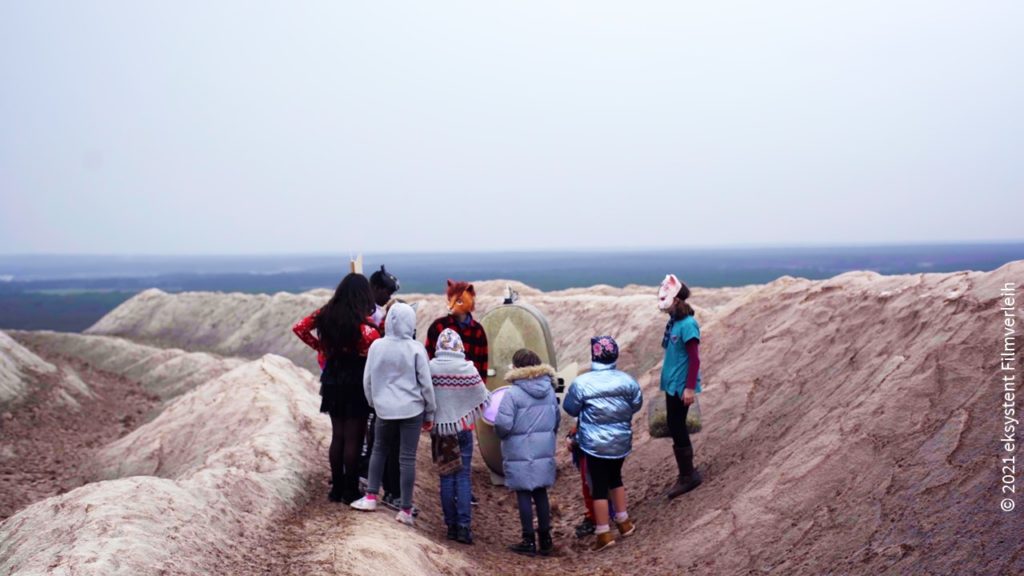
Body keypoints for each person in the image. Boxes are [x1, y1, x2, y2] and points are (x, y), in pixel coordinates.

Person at [292, 273, 380, 503]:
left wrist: (322, 347)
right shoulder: (365, 328)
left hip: (332, 377)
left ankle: (336, 488)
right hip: (356, 379)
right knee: (355, 437)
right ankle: (350, 490)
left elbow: (299, 328)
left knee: (338, 435)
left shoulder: (327, 313)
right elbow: (376, 351)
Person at [351, 302, 435, 526]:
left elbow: (367, 379)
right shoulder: (416, 348)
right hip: (412, 410)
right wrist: (430, 412)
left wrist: (373, 402)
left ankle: (370, 497)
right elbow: (426, 384)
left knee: (379, 450)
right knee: (407, 458)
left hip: (383, 409)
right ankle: (405, 510)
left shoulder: (377, 346)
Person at [563, 336, 643, 551]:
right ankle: (624, 522)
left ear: (594, 355)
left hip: (593, 443)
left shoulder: (582, 383)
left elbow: (570, 408)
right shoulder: (628, 381)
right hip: (620, 440)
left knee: (598, 486)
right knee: (616, 479)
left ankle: (603, 532)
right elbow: (636, 404)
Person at [425, 279, 489, 507]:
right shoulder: (438, 327)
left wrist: (474, 401)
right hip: (444, 407)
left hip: (462, 407)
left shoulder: (478, 332)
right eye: (451, 300)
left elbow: (482, 370)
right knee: (449, 468)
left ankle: (457, 515)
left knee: (458, 467)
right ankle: (459, 515)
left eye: (459, 300)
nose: (453, 305)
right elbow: (427, 366)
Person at [494, 349, 560, 557]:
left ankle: (528, 540)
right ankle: (546, 540)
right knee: (541, 492)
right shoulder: (549, 390)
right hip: (543, 448)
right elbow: (556, 419)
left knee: (523, 492)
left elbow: (503, 425)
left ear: (516, 368)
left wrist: (501, 434)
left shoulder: (511, 394)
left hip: (518, 449)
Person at [429, 329, 490, 545]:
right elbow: (482, 396)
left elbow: (425, 394)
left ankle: (451, 527)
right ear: (459, 346)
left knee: (446, 477)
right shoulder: (468, 368)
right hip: (464, 428)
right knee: (463, 477)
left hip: (441, 430)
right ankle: (464, 528)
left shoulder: (431, 368)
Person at [658, 274, 703, 499]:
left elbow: (694, 359)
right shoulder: (674, 323)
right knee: (674, 424)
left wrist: (689, 388)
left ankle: (688, 475)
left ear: (677, 300)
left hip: (681, 385)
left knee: (677, 425)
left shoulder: (687, 324)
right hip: (672, 384)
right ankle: (686, 472)